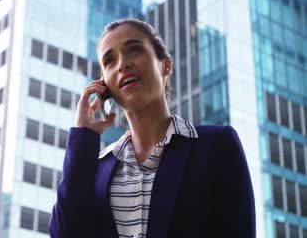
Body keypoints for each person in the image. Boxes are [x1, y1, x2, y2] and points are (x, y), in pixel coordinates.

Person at [49, 18, 255, 238]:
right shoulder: (96, 168)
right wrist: (83, 136)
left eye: (134, 50)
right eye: (110, 61)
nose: (122, 64)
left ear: (166, 65)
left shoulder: (216, 145)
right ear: (104, 87)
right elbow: (63, 234)